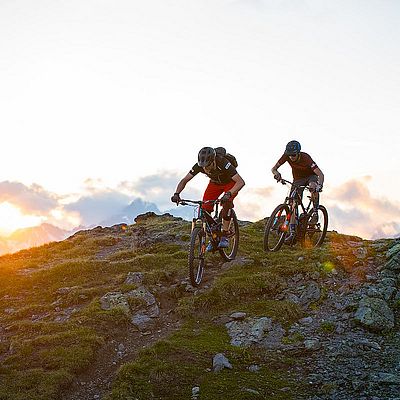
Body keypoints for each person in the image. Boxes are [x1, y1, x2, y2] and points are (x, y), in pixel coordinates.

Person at [171, 147, 245, 250]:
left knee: (226, 203)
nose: (205, 169)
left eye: (208, 166)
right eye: (203, 166)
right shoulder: (199, 166)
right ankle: (213, 237)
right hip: (214, 184)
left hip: (230, 183)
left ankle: (224, 234)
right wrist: (177, 193)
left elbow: (240, 182)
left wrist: (229, 193)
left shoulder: (224, 163)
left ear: (213, 161)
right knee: (204, 208)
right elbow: (185, 180)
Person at [271, 140, 324, 244]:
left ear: (298, 153)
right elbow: (274, 168)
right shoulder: (286, 156)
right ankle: (292, 232)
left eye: (293, 155)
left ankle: (315, 211)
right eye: (289, 155)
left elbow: (320, 174)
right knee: (293, 204)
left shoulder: (306, 158)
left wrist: (319, 185)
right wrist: (277, 174)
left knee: (313, 186)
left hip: (311, 176)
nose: (291, 157)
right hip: (298, 179)